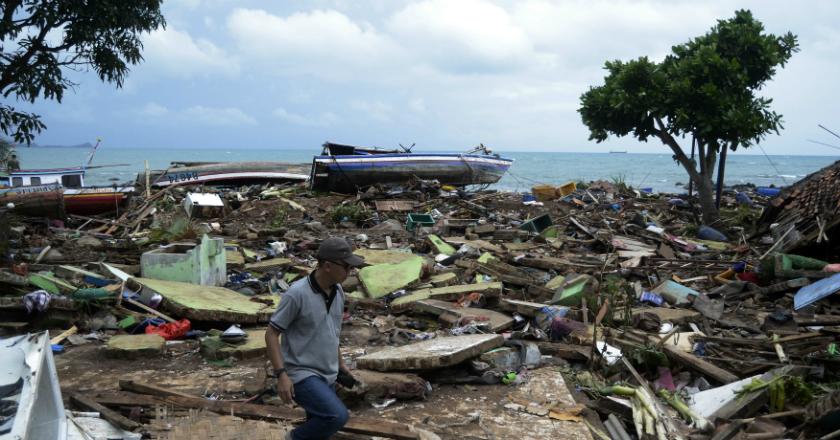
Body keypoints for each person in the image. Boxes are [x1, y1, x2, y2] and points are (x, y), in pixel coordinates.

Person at [265, 236, 365, 440]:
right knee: (337, 416)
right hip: (301, 373)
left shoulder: (338, 292)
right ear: (327, 266)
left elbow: (332, 331)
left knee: (318, 427)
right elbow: (271, 333)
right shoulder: (297, 294)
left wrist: (340, 365)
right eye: (346, 267)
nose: (350, 271)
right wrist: (281, 375)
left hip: (327, 371)